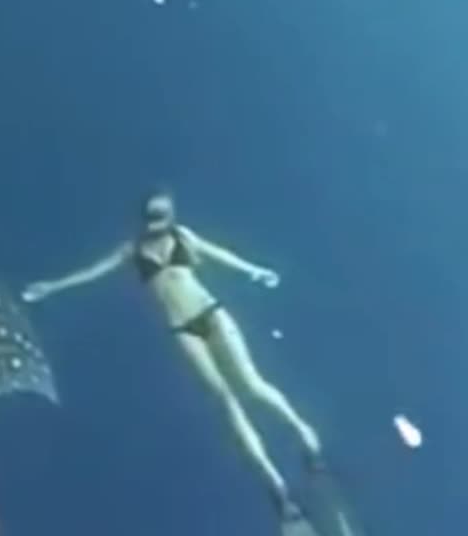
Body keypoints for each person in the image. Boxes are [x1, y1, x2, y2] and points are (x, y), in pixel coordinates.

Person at [23, 188, 323, 522]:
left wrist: (254, 270)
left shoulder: (184, 236)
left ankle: (304, 434)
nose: (156, 221)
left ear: (171, 215)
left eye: (161, 215)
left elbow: (220, 253)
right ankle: (274, 484)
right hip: (181, 327)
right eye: (151, 215)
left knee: (250, 384)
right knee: (224, 400)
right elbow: (93, 271)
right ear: (144, 217)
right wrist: (52, 286)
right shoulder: (131, 250)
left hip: (210, 311)